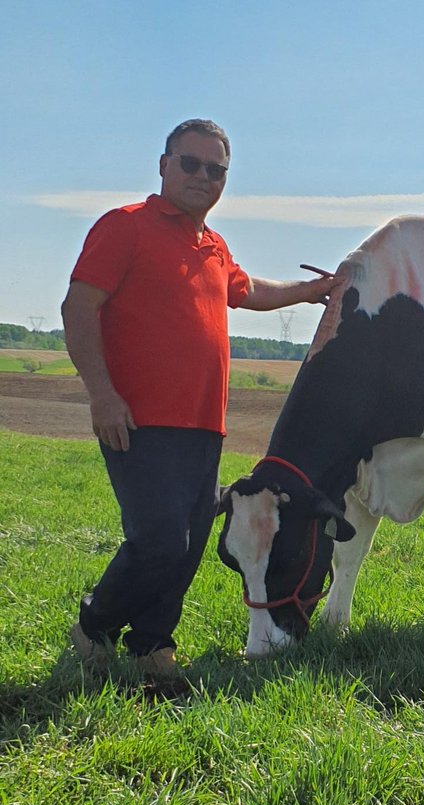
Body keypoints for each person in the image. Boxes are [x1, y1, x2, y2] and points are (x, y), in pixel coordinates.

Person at [62, 118, 338, 679]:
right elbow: (78, 308)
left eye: (217, 170)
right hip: (136, 420)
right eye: (191, 164)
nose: (203, 177)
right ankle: (95, 624)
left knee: (187, 546)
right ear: (164, 165)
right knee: (160, 539)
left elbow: (251, 290)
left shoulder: (213, 246)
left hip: (203, 426)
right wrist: (102, 396)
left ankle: (152, 645)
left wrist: (312, 292)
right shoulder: (125, 227)